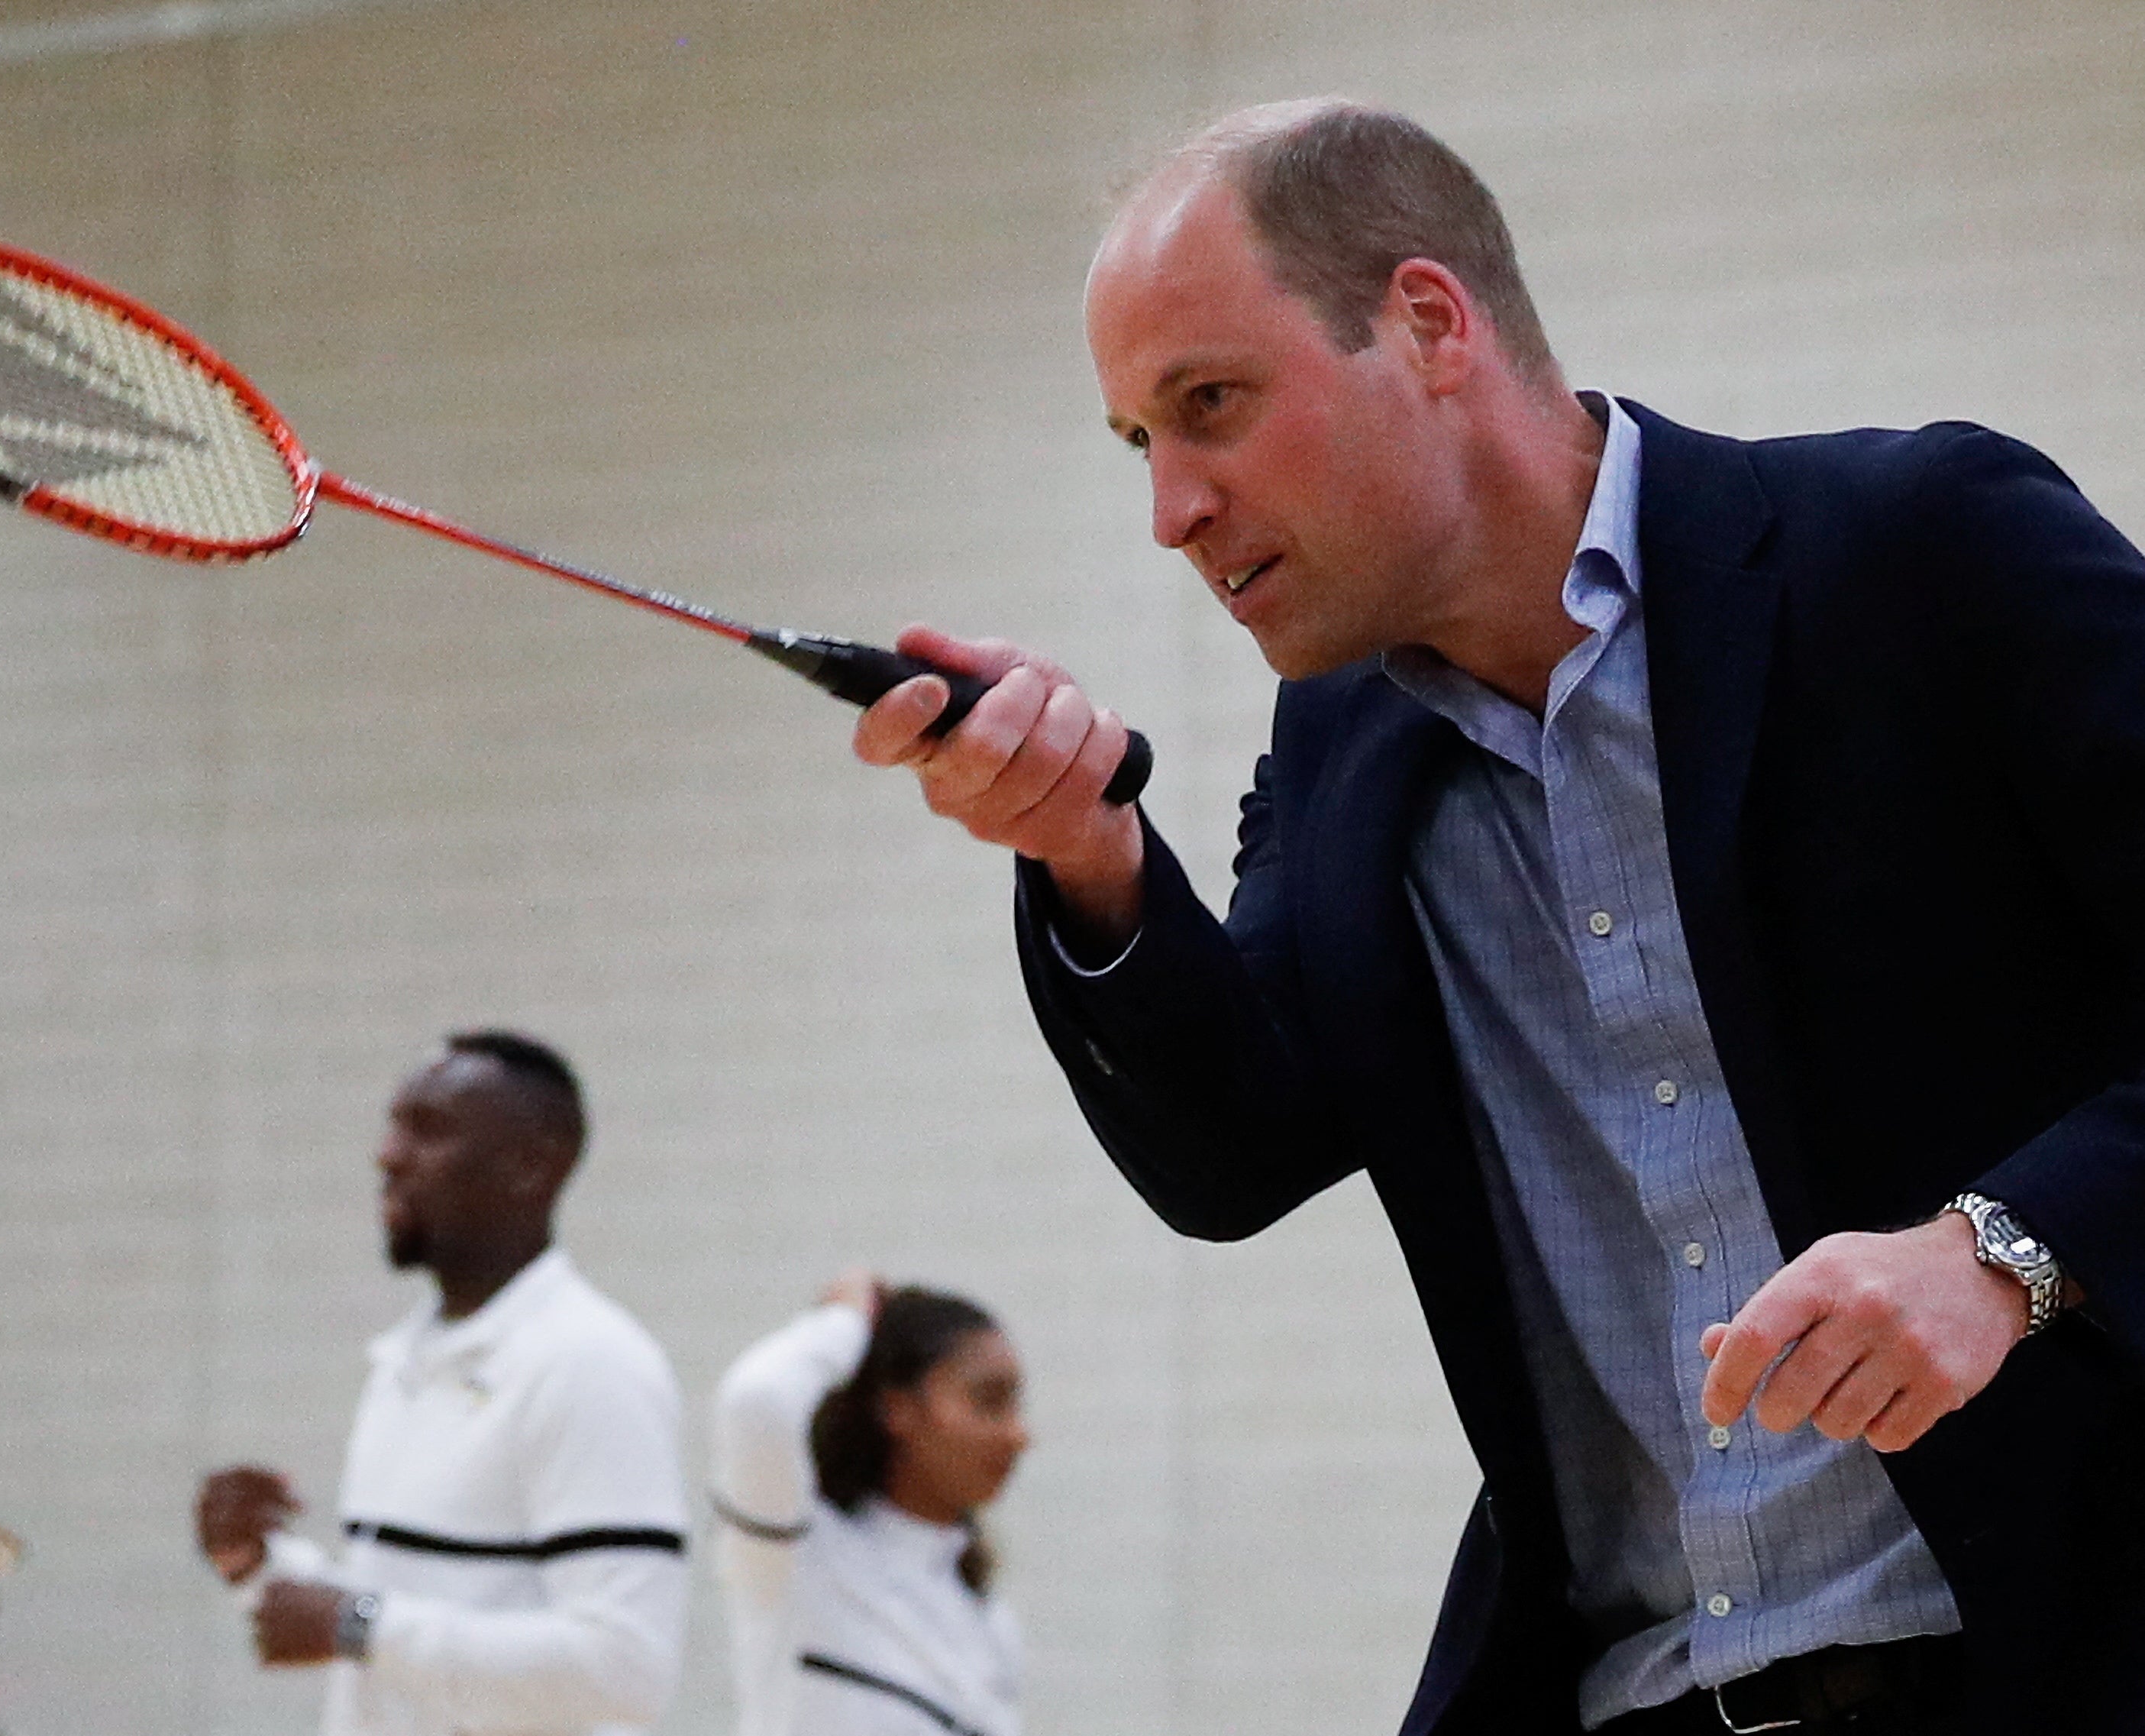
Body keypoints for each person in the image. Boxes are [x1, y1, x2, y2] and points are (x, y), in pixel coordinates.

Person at [850, 99, 2145, 1734]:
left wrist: (2004, 1252)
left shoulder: (1916, 549)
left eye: (1211, 404)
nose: (1172, 506)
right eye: (1139, 441)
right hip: (1629, 1695)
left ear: (1427, 325)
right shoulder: (1339, 744)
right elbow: (1236, 1149)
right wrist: (1085, 853)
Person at [194, 1030, 687, 1736]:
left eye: (428, 1131)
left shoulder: (590, 1361)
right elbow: (396, 1628)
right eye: (394, 1126)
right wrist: (259, 1565)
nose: (386, 1155)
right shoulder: (408, 1361)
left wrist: (356, 1623)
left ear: (529, 1167)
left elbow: (625, 1670)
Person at [711, 1272, 1027, 1736]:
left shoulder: (987, 1616)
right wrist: (843, 1324)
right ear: (896, 1407)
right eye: (988, 1400)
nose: (1019, 1435)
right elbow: (758, 1402)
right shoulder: (799, 1559)